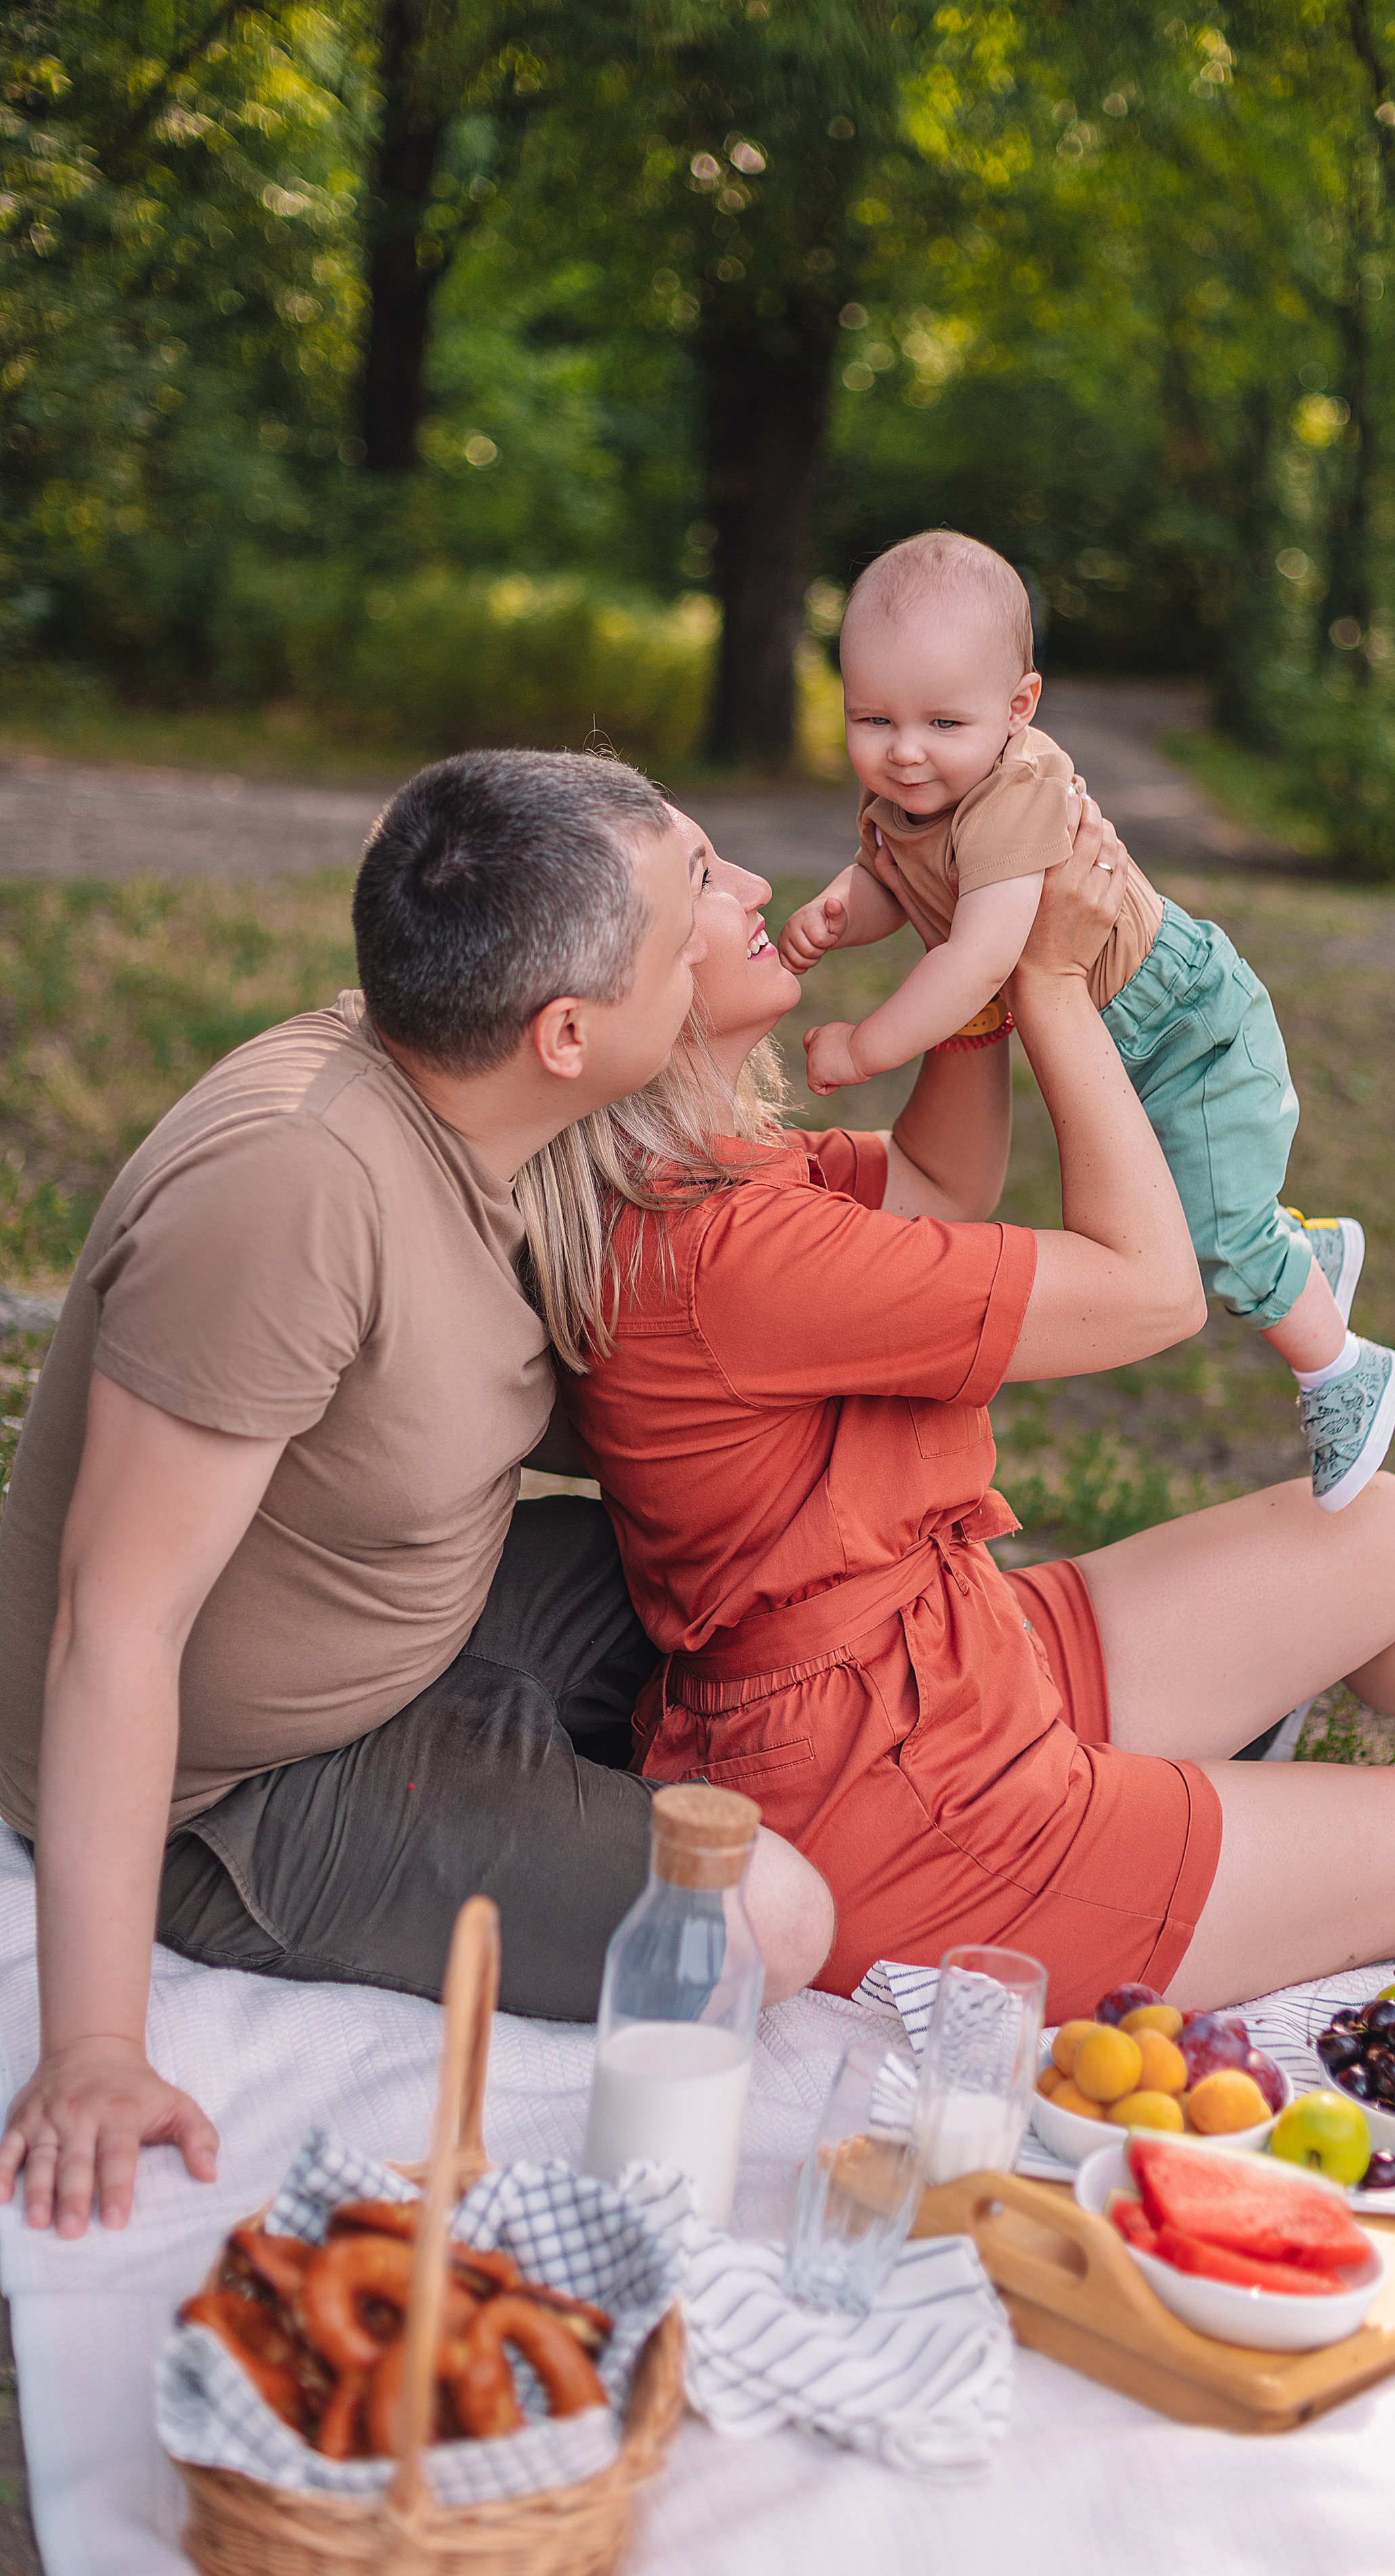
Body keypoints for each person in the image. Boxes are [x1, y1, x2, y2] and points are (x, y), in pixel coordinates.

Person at [531, 779, 1395, 2019]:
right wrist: (1053, 988)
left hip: (934, 1662)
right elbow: (1154, 1291)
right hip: (891, 1807)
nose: (755, 889)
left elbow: (944, 1179)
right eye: (704, 890)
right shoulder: (729, 1260)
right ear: (617, 1013)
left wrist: (978, 962)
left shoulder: (717, 1183)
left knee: (1378, 1535)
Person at [0, 750, 835, 2242]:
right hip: (242, 1789)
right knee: (758, 1925)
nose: (748, 894)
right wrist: (93, 2053)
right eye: (699, 885)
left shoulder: (491, 1097)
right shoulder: (290, 1188)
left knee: (795, 1574)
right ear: (565, 1029)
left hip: (429, 1603)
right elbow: (111, 1626)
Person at [778, 530, 1395, 1513]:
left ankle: (1346, 1369)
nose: (903, 750)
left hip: (1187, 1024)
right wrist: (842, 911)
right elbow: (893, 880)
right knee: (1203, 1208)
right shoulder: (918, 782)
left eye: (943, 720)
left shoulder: (1017, 789)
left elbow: (983, 955)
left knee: (1212, 1240)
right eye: (873, 718)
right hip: (1115, 1040)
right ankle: (1306, 1254)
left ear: (1018, 707)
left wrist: (868, 1045)